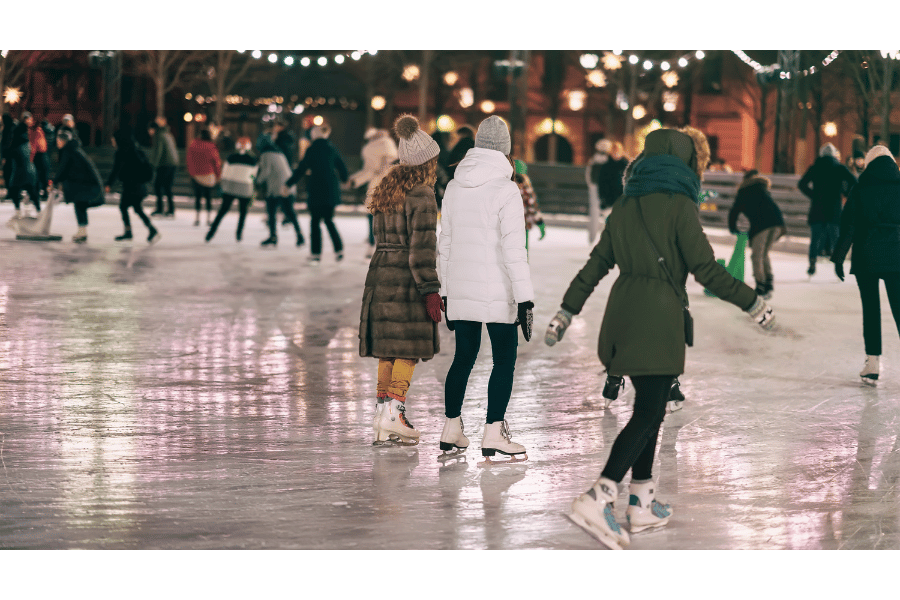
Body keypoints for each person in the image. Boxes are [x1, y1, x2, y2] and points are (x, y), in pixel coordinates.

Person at [544, 127, 775, 550]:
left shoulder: (625, 205)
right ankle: (600, 495)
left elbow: (596, 265)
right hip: (658, 320)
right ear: (685, 164)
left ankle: (641, 501)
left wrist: (566, 310)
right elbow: (706, 270)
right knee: (649, 413)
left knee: (649, 406)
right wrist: (753, 303)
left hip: (621, 319)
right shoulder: (681, 205)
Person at [438, 115, 535, 463]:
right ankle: (493, 433)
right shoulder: (506, 189)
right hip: (499, 293)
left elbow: (444, 244)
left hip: (462, 288)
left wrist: (446, 293)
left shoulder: (453, 186)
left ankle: (451, 428)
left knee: (463, 357)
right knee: (503, 360)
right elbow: (514, 250)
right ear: (506, 151)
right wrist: (525, 298)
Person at [360, 115, 442, 446]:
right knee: (407, 349)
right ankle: (395, 412)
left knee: (388, 350)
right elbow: (421, 250)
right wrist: (430, 290)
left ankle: (383, 416)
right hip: (406, 281)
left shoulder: (387, 189)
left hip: (381, 276)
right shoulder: (422, 195)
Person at [831, 145, 900, 386]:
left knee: (871, 310)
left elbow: (848, 225)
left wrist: (838, 257)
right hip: (896, 257)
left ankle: (872, 364)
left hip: (866, 257)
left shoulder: (860, 188)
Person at [285, 124, 348, 263]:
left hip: (316, 190)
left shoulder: (311, 150)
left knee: (315, 222)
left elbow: (301, 169)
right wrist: (345, 179)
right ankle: (339, 249)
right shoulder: (332, 149)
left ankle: (316, 253)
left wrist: (289, 183)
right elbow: (342, 166)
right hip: (331, 190)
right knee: (329, 220)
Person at [798, 143, 857, 275]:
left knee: (815, 239)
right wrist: (845, 192)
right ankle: (838, 265)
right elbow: (854, 181)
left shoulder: (814, 168)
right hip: (834, 208)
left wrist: (813, 195)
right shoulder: (840, 168)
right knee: (836, 238)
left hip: (817, 207)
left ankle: (812, 262)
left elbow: (801, 184)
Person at [727, 169, 787, 298]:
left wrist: (733, 228)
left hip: (762, 225)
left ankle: (761, 286)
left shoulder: (744, 191)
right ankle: (768, 282)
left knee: (757, 256)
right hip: (778, 224)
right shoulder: (762, 188)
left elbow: (734, 211)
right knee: (764, 253)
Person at [349, 127, 399, 256]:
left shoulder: (383, 145)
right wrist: (356, 180)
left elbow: (374, 168)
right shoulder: (381, 147)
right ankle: (378, 244)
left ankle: (378, 245)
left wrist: (355, 180)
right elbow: (369, 170)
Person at [106, 128, 160, 244]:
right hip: (139, 186)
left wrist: (109, 184)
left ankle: (129, 232)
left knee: (124, 207)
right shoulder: (136, 149)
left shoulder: (122, 152)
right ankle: (151, 229)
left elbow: (115, 170)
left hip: (131, 187)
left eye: (114, 139)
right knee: (137, 209)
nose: (112, 141)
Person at [53, 129, 104, 243]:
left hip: (85, 185)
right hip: (85, 184)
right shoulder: (73, 150)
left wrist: (55, 182)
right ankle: (82, 230)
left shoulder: (69, 151)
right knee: (80, 205)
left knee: (79, 205)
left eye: (59, 140)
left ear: (64, 141)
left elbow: (63, 169)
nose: (57, 143)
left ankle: (82, 231)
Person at [206, 136, 258, 243]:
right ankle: (238, 234)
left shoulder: (231, 157)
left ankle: (211, 232)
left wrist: (223, 184)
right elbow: (254, 175)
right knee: (242, 212)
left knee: (223, 210)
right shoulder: (253, 159)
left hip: (231, 187)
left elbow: (225, 172)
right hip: (245, 187)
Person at [256, 134, 303, 247]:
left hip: (277, 188)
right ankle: (299, 235)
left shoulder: (266, 154)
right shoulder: (279, 153)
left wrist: (257, 181)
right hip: (288, 186)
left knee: (271, 212)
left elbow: (266, 171)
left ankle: (273, 236)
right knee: (289, 212)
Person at [5, 115, 40, 217]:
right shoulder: (25, 142)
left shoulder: (16, 144)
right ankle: (38, 209)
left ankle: (17, 210)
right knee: (31, 190)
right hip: (28, 170)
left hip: (19, 171)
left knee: (15, 189)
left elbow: (12, 155)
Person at [186, 129, 222, 226]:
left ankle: (197, 218)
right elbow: (216, 162)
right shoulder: (211, 146)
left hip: (196, 175)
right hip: (208, 175)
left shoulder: (193, 145)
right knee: (208, 197)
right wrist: (218, 175)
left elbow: (189, 160)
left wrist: (191, 172)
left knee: (197, 197)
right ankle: (208, 218)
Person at [147, 116, 179, 218]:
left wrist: (153, 165)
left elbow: (158, 152)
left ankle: (160, 209)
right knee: (167, 187)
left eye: (150, 130)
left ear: (153, 129)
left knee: (158, 186)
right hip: (172, 163)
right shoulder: (167, 133)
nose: (149, 132)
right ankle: (170, 209)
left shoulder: (158, 135)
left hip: (165, 164)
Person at [513, 160, 545, 253]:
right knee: (521, 254)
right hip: (522, 227)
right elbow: (532, 208)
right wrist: (540, 224)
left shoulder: (505, 184)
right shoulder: (525, 187)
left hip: (507, 227)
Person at [24, 112, 51, 199]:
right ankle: (44, 193)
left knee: (38, 175)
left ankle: (36, 193)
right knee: (43, 175)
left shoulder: (34, 131)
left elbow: (34, 146)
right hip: (43, 154)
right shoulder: (39, 129)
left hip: (38, 155)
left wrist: (31, 159)